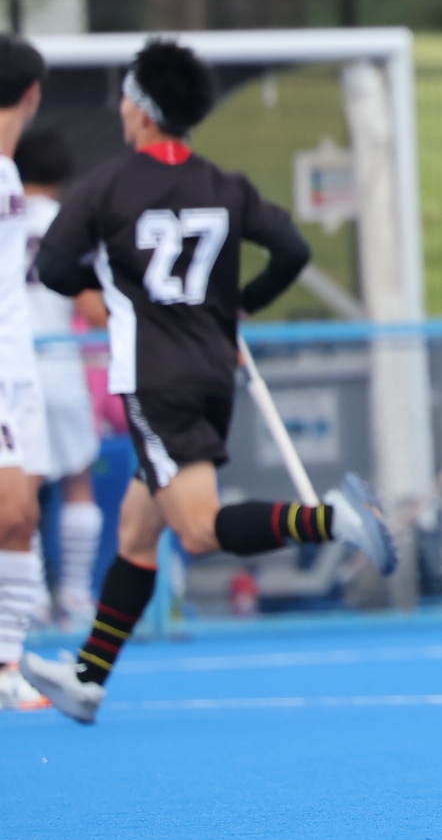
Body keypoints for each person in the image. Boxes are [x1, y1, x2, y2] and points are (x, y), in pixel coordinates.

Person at [20, 38, 397, 724]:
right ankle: (89, 675)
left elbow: (52, 270)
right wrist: (239, 304)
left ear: (141, 110)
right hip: (212, 373)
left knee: (195, 530)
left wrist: (108, 277)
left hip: (153, 381)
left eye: (127, 100)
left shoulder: (108, 187)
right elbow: (292, 250)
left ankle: (331, 519)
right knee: (138, 531)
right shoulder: (225, 186)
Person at [20, 129, 105, 624]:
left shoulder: (5, 217)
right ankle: (74, 594)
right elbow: (93, 309)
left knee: (20, 485)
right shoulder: (69, 222)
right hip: (62, 367)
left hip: (13, 368)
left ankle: (28, 596)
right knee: (78, 482)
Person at [0, 38, 53, 710]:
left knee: (21, 519)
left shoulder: (10, 174)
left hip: (20, 366)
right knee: (11, 509)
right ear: (33, 94)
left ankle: (6, 662)